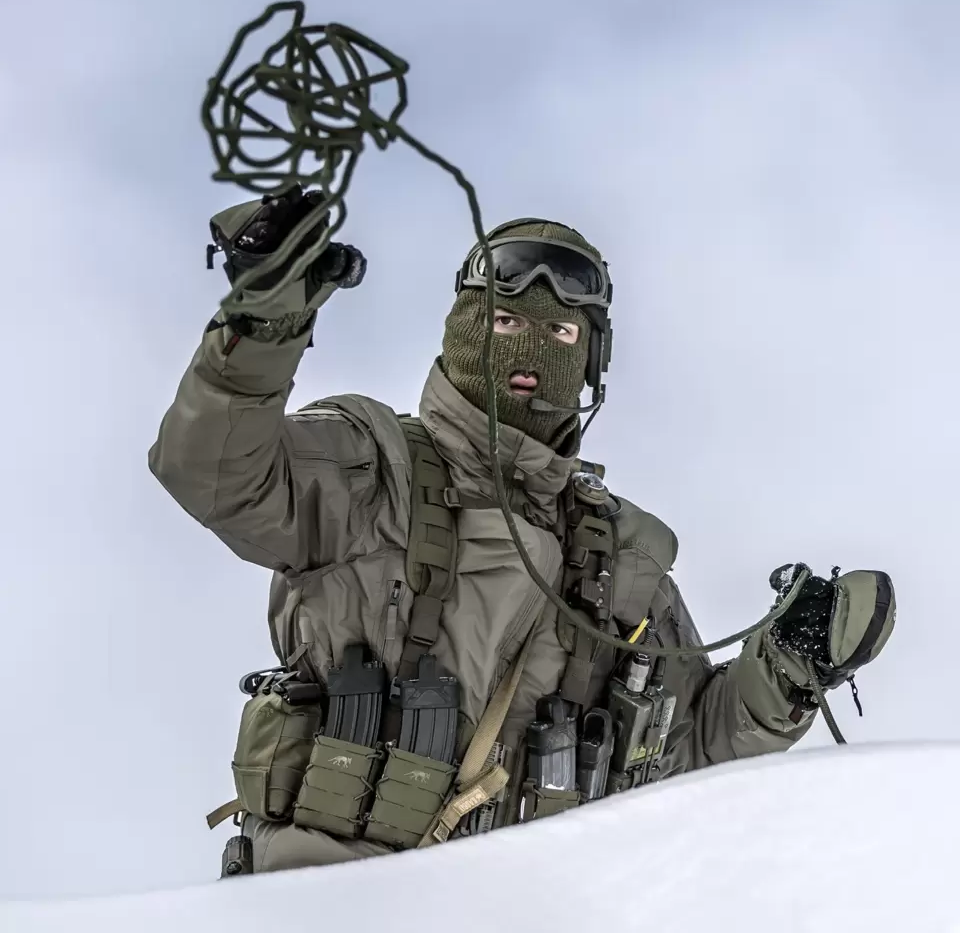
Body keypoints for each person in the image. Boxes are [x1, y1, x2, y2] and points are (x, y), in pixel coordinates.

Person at [149, 186, 896, 874]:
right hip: (328, 898)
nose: (529, 354)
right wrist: (263, 326)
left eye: (561, 331)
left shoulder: (618, 559)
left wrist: (787, 669)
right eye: (505, 321)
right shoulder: (370, 467)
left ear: (591, 361)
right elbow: (213, 471)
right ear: (463, 331)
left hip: (520, 904)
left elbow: (696, 742)